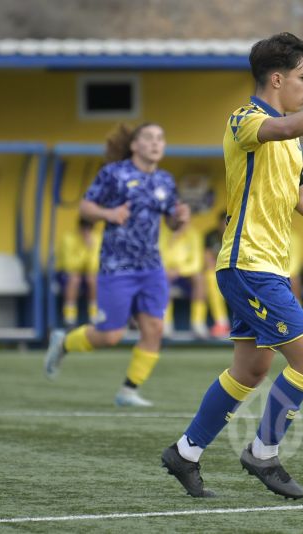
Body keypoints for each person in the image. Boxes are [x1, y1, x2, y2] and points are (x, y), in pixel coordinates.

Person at [160, 33, 303, 499]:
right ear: (277, 79)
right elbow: (282, 130)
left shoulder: (289, 138)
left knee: (250, 371)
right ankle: (263, 453)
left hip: (266, 267)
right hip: (249, 264)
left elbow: (301, 194)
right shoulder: (245, 119)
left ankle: (185, 453)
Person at [43, 123, 191, 407]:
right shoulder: (113, 173)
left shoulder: (165, 180)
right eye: (149, 137)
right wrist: (109, 214)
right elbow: (86, 207)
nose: (155, 143)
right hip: (117, 266)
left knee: (154, 329)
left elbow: (171, 222)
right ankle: (63, 343)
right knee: (110, 335)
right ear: (134, 145)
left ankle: (128, 391)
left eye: (160, 138)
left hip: (151, 266)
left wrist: (180, 219)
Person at [160, 220, 208, 338]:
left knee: (199, 278)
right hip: (167, 273)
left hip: (186, 274)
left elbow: (196, 263)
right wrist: (172, 240)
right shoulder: (161, 233)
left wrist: (179, 270)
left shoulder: (194, 234)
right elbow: (158, 258)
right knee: (162, 278)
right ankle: (165, 323)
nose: (181, 223)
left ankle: (198, 323)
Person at [56, 217, 101, 328]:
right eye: (84, 228)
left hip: (87, 274)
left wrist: (90, 249)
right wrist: (85, 250)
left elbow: (95, 266)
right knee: (74, 278)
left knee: (92, 278)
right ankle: (69, 316)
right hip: (65, 273)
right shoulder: (68, 239)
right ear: (79, 228)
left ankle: (94, 315)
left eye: (89, 229)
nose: (86, 232)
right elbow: (69, 265)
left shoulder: (96, 239)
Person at [203, 212, 231, 338]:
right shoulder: (211, 236)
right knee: (210, 277)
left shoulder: (240, 235)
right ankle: (222, 323)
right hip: (217, 271)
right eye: (223, 223)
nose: (225, 226)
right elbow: (208, 259)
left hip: (234, 272)